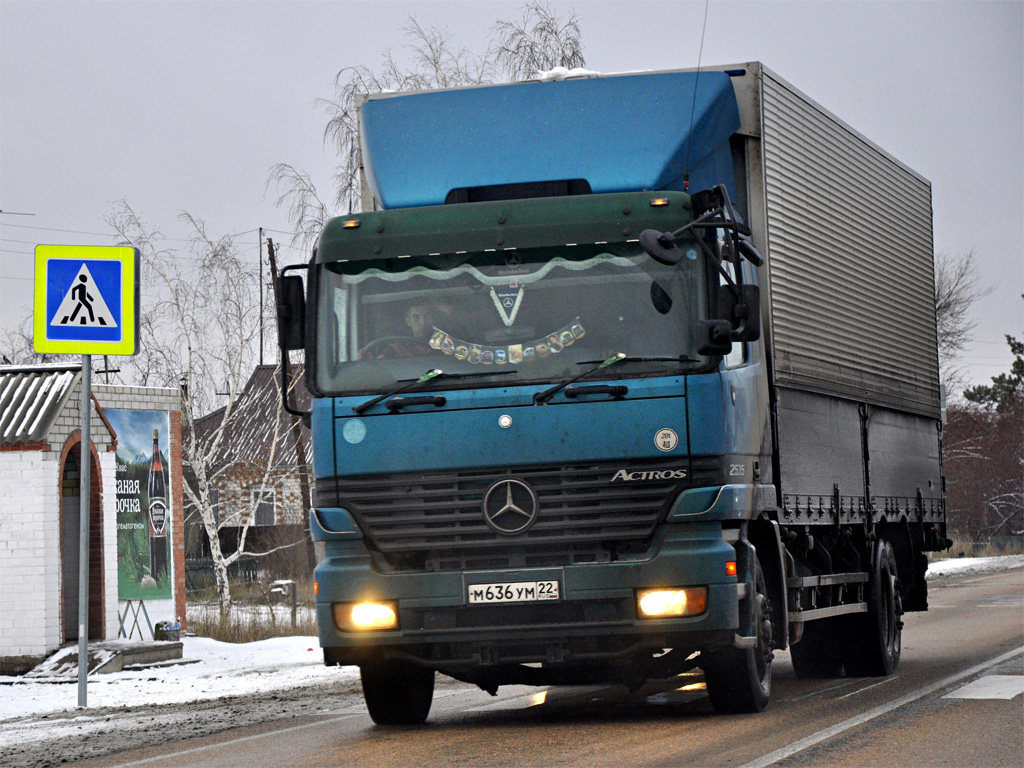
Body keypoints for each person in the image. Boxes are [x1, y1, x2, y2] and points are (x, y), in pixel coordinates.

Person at [360, 302, 440, 359]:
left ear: (434, 318)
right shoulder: (398, 348)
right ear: (408, 321)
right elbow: (381, 367)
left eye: (427, 316)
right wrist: (369, 361)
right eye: (416, 317)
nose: (422, 322)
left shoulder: (446, 342)